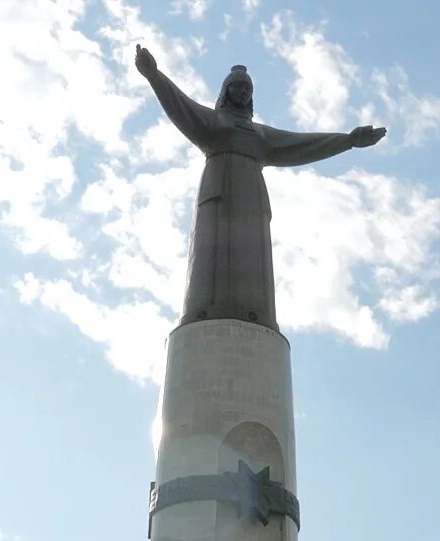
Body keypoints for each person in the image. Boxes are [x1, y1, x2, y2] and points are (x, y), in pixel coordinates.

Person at [133, 46, 386, 332]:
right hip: (218, 194)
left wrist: (348, 140)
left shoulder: (261, 135)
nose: (242, 92)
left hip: (252, 198)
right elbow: (180, 104)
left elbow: (301, 144)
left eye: (247, 89)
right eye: (237, 87)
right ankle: (206, 308)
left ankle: (255, 312)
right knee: (209, 255)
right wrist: (153, 75)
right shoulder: (213, 121)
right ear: (225, 91)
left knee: (253, 259)